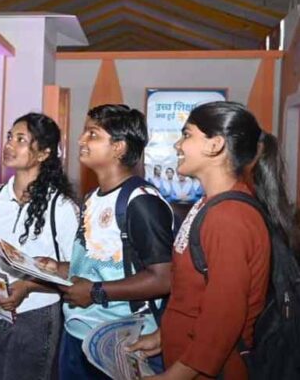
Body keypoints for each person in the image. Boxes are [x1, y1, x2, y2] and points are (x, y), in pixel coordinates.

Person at [127, 101, 297, 379]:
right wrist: (162, 336)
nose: (178, 145)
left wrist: (175, 376)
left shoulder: (229, 216)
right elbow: (193, 294)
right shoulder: (210, 204)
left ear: (215, 145)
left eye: (187, 135)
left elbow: (224, 315)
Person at [38, 104, 173, 379]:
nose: (81, 140)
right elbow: (101, 265)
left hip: (121, 341)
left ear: (119, 147)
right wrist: (58, 268)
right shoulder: (92, 198)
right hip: (77, 334)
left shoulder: (141, 202)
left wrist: (95, 292)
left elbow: (163, 278)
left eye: (93, 134)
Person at [0, 113, 79, 380]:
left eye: (20, 140)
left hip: (35, 314)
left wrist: (27, 286)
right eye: (9, 137)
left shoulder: (61, 207)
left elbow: (75, 271)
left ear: (43, 153)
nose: (9, 145)